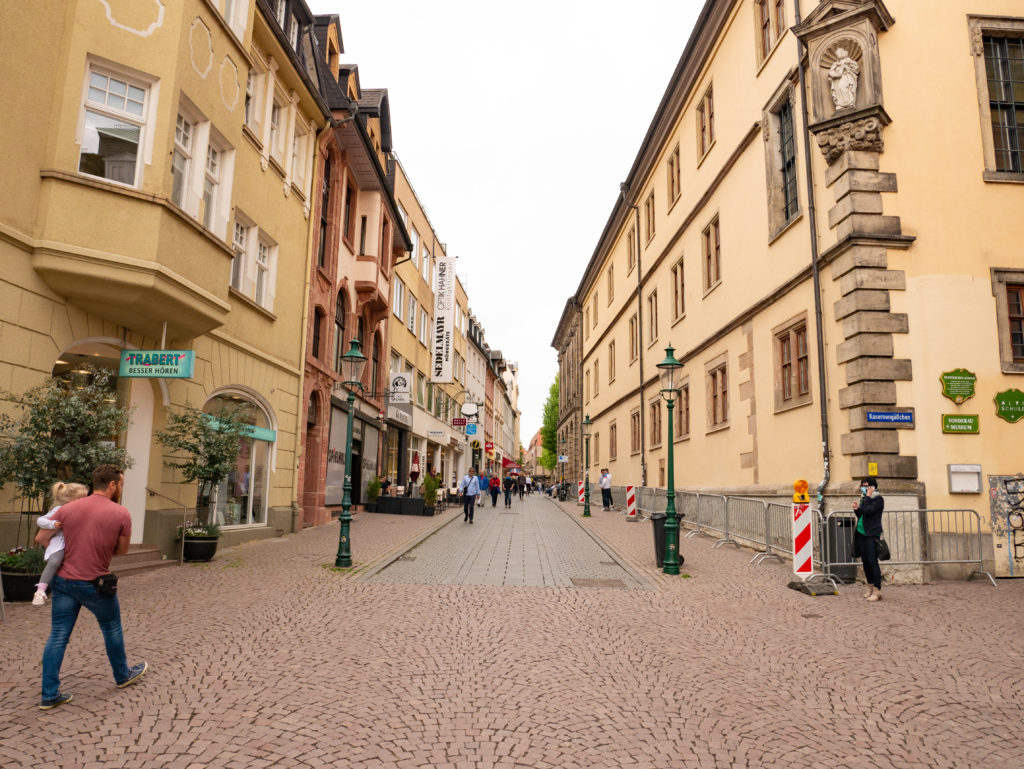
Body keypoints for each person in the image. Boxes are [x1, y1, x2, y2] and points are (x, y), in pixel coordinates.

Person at [39, 464, 148, 710]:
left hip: (64, 581)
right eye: (120, 484)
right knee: (111, 628)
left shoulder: (68, 508)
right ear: (111, 485)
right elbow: (122, 550)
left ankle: (49, 694)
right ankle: (123, 676)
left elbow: (42, 538)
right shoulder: (121, 513)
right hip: (94, 583)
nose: (121, 488)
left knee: (58, 635)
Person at [33, 482, 90, 606]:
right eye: (83, 499)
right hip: (60, 542)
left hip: (75, 543)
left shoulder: (84, 511)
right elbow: (41, 521)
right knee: (54, 562)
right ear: (72, 499)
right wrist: (53, 525)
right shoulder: (59, 509)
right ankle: (40, 590)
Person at [852, 475, 885, 602]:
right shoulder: (864, 499)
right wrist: (856, 509)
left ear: (873, 487)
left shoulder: (878, 499)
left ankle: (877, 590)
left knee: (872, 561)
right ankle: (870, 587)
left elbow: (869, 510)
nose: (864, 489)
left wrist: (866, 498)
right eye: (863, 486)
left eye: (866, 486)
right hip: (861, 533)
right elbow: (862, 514)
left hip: (872, 534)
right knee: (865, 561)